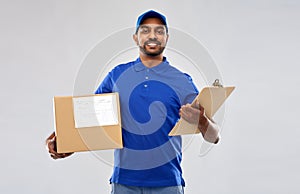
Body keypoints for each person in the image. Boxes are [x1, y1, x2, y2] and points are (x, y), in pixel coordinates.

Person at [46, 10, 220, 194]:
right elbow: (88, 120)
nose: (152, 35)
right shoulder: (116, 75)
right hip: (124, 183)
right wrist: (62, 143)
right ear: (135, 38)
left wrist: (201, 120)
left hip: (168, 183)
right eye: (145, 30)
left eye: (159, 31)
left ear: (167, 38)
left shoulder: (181, 80)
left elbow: (214, 136)